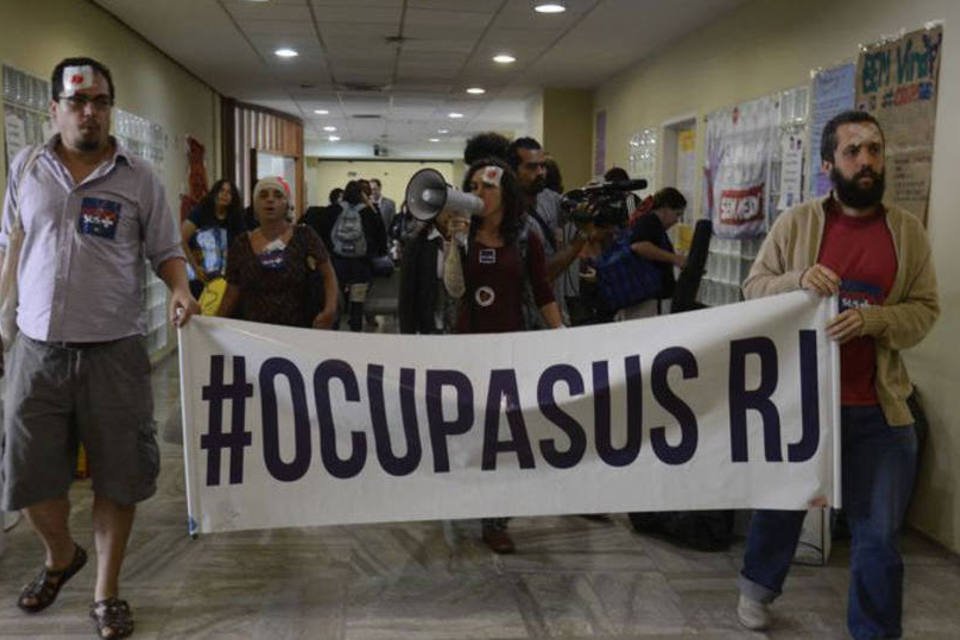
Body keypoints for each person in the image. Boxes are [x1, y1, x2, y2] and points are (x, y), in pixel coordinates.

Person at [0, 56, 199, 639]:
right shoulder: (25, 168)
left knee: (120, 475)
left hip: (115, 351)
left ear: (109, 107)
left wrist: (182, 289)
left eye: (100, 102)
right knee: (27, 476)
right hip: (36, 350)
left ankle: (107, 592)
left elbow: (166, 250)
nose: (89, 112)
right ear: (55, 107)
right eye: (77, 101)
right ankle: (61, 556)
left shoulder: (138, 178)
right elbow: (9, 248)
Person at [735, 110, 939, 639]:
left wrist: (876, 321)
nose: (867, 161)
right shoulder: (798, 223)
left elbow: (924, 310)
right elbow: (753, 288)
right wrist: (798, 280)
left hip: (880, 411)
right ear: (829, 164)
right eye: (853, 152)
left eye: (874, 149)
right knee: (783, 508)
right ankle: (757, 587)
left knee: (877, 537)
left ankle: (873, 631)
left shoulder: (907, 232)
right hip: (803, 403)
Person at [446, 158, 562, 553]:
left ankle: (496, 519)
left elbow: (542, 290)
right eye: (474, 186)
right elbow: (453, 290)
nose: (480, 193)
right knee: (470, 430)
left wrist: (562, 335)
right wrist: (454, 244)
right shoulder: (460, 232)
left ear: (506, 193)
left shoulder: (526, 235)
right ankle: (464, 499)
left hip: (513, 347)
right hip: (467, 348)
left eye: (488, 186)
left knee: (506, 436)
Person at [218, 176, 338, 329]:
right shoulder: (241, 243)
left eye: (277, 195)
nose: (270, 200)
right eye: (263, 195)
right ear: (254, 205)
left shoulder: (305, 235)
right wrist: (216, 325)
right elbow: (232, 290)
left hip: (299, 329)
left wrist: (330, 309)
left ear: (287, 204)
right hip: (253, 333)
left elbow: (328, 275)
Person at [617, 187, 687, 320]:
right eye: (677, 214)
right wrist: (674, 258)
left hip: (646, 298)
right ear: (665, 208)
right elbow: (639, 246)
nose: (676, 220)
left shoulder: (649, 223)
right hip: (646, 300)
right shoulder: (650, 222)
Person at [328, 180, 386, 331]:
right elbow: (381, 235)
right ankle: (355, 333)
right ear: (362, 195)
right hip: (360, 265)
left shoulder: (335, 210)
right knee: (357, 305)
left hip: (338, 264)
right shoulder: (368, 212)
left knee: (336, 302)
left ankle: (334, 333)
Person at [180, 179, 246, 300]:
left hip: (225, 280)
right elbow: (181, 240)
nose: (225, 195)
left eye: (229, 192)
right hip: (199, 277)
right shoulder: (200, 212)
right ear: (215, 193)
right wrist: (195, 267)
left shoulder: (236, 218)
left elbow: (243, 246)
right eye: (222, 190)